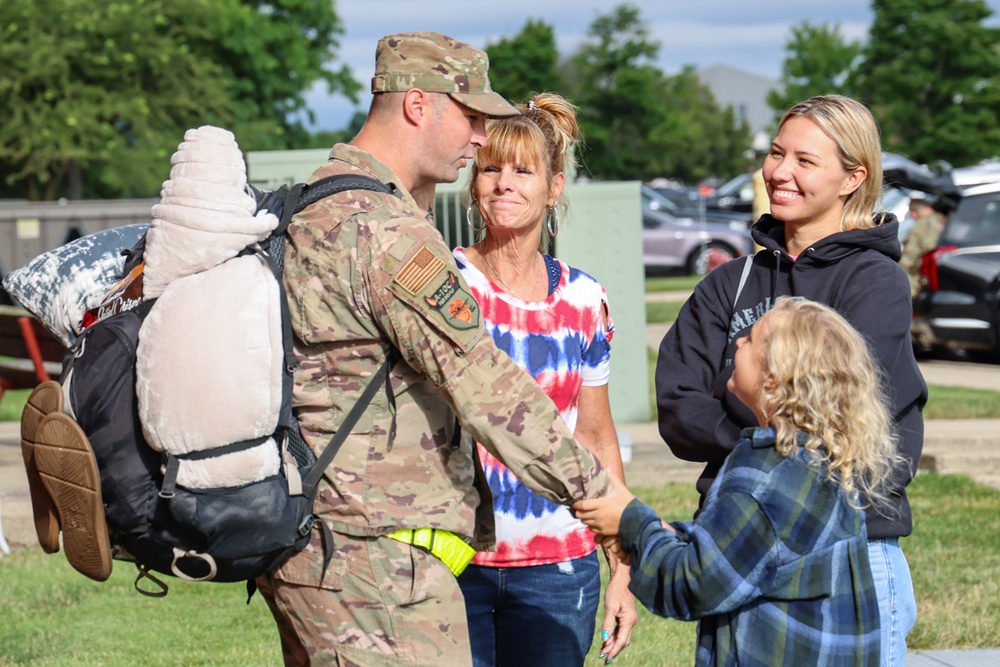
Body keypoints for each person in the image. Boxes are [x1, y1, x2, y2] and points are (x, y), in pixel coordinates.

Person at [254, 32, 611, 667]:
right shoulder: (386, 232)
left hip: (315, 545)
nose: (479, 139)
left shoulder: (311, 202)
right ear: (418, 105)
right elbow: (484, 385)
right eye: (470, 116)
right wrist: (612, 506)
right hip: (374, 565)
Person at [656, 94, 927, 666]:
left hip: (848, 549)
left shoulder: (875, 283)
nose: (780, 172)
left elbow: (838, 413)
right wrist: (777, 439)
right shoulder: (730, 283)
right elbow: (679, 410)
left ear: (853, 177)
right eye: (777, 153)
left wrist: (743, 422)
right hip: (736, 545)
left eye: (805, 161)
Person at [575, 297, 897, 666]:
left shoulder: (766, 478)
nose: (738, 341)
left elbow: (692, 583)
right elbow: (735, 548)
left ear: (773, 377)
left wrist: (629, 520)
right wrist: (656, 529)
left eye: (751, 340)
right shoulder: (814, 459)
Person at [452, 92, 636, 666]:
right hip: (454, 562)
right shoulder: (445, 282)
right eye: (491, 169)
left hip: (561, 567)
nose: (504, 183)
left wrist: (621, 566)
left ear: (555, 187)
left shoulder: (586, 299)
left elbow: (597, 436)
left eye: (523, 170)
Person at [899, 193, 947, 298]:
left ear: (913, 213)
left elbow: (908, 258)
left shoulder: (920, 226)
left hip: (920, 280)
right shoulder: (944, 220)